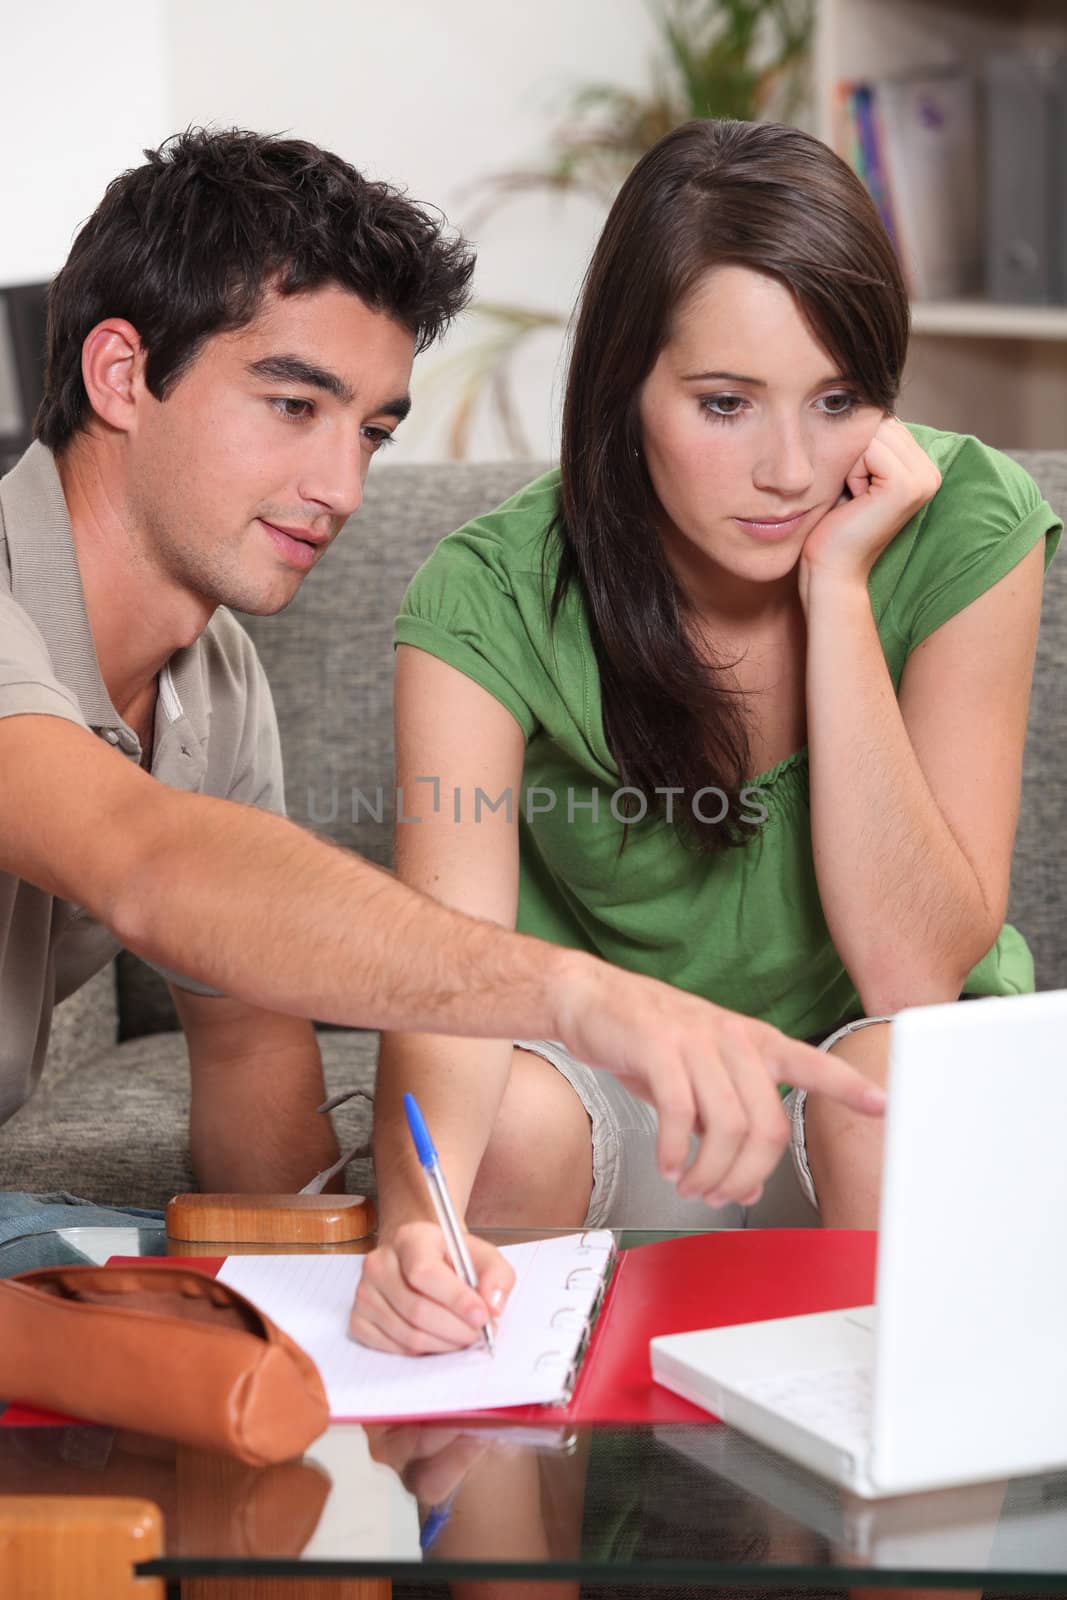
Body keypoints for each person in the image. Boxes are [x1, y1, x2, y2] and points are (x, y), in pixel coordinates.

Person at [0, 127, 879, 1251]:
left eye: (369, 431)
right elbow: (148, 861)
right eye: (291, 406)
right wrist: (573, 995)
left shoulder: (213, 687)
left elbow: (249, 1048)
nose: (341, 486)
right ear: (122, 375)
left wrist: (326, 1301)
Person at [353, 118, 1061, 1352]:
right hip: (612, 1108)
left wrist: (836, 593)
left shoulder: (964, 526)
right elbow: (448, 974)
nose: (789, 470)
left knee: (894, 1103)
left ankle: (903, 1539)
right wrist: (418, 1224)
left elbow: (910, 974)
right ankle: (510, 1512)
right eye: (725, 403)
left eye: (838, 401)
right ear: (626, 386)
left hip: (862, 1086)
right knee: (505, 1139)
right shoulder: (487, 594)